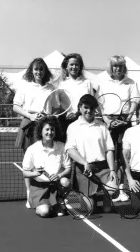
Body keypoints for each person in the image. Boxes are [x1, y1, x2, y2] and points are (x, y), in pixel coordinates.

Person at [65, 94, 118, 212]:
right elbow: (70, 150)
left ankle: (107, 198)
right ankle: (89, 198)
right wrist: (84, 163)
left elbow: (109, 149)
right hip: (85, 170)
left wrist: (112, 170)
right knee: (89, 208)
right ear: (80, 108)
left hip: (103, 168)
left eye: (92, 108)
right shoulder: (73, 127)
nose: (89, 111)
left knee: (113, 189)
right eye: (86, 107)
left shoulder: (102, 126)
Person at [13, 58, 54, 208]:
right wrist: (30, 116)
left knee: (46, 160)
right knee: (29, 162)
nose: (39, 72)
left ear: (45, 71)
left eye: (41, 69)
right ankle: (29, 193)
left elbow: (55, 108)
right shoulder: (24, 87)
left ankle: (46, 194)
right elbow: (16, 107)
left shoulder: (51, 88)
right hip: (30, 126)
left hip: (46, 127)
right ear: (31, 71)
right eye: (36, 69)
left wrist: (48, 116)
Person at [96, 55, 140, 180]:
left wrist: (126, 119)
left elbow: (135, 102)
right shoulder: (103, 83)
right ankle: (111, 184)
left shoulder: (131, 82)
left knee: (123, 154)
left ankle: (121, 186)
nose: (118, 68)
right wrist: (107, 120)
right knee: (109, 152)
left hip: (124, 121)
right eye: (115, 66)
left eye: (120, 66)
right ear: (111, 67)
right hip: (108, 121)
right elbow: (99, 103)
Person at [21, 116, 71, 217]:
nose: (50, 132)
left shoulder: (61, 146)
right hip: (39, 187)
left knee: (65, 181)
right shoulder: (32, 149)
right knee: (44, 212)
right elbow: (25, 172)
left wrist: (59, 176)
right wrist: (35, 173)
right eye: (47, 129)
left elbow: (68, 168)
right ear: (41, 132)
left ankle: (58, 200)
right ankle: (45, 204)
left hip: (56, 186)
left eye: (52, 129)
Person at [53, 53, 94, 139]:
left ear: (80, 67)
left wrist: (79, 113)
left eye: (76, 65)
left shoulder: (87, 83)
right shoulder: (60, 84)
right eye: (71, 64)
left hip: (83, 120)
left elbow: (91, 102)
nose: (74, 67)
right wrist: (67, 112)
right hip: (65, 121)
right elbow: (57, 104)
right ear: (66, 67)